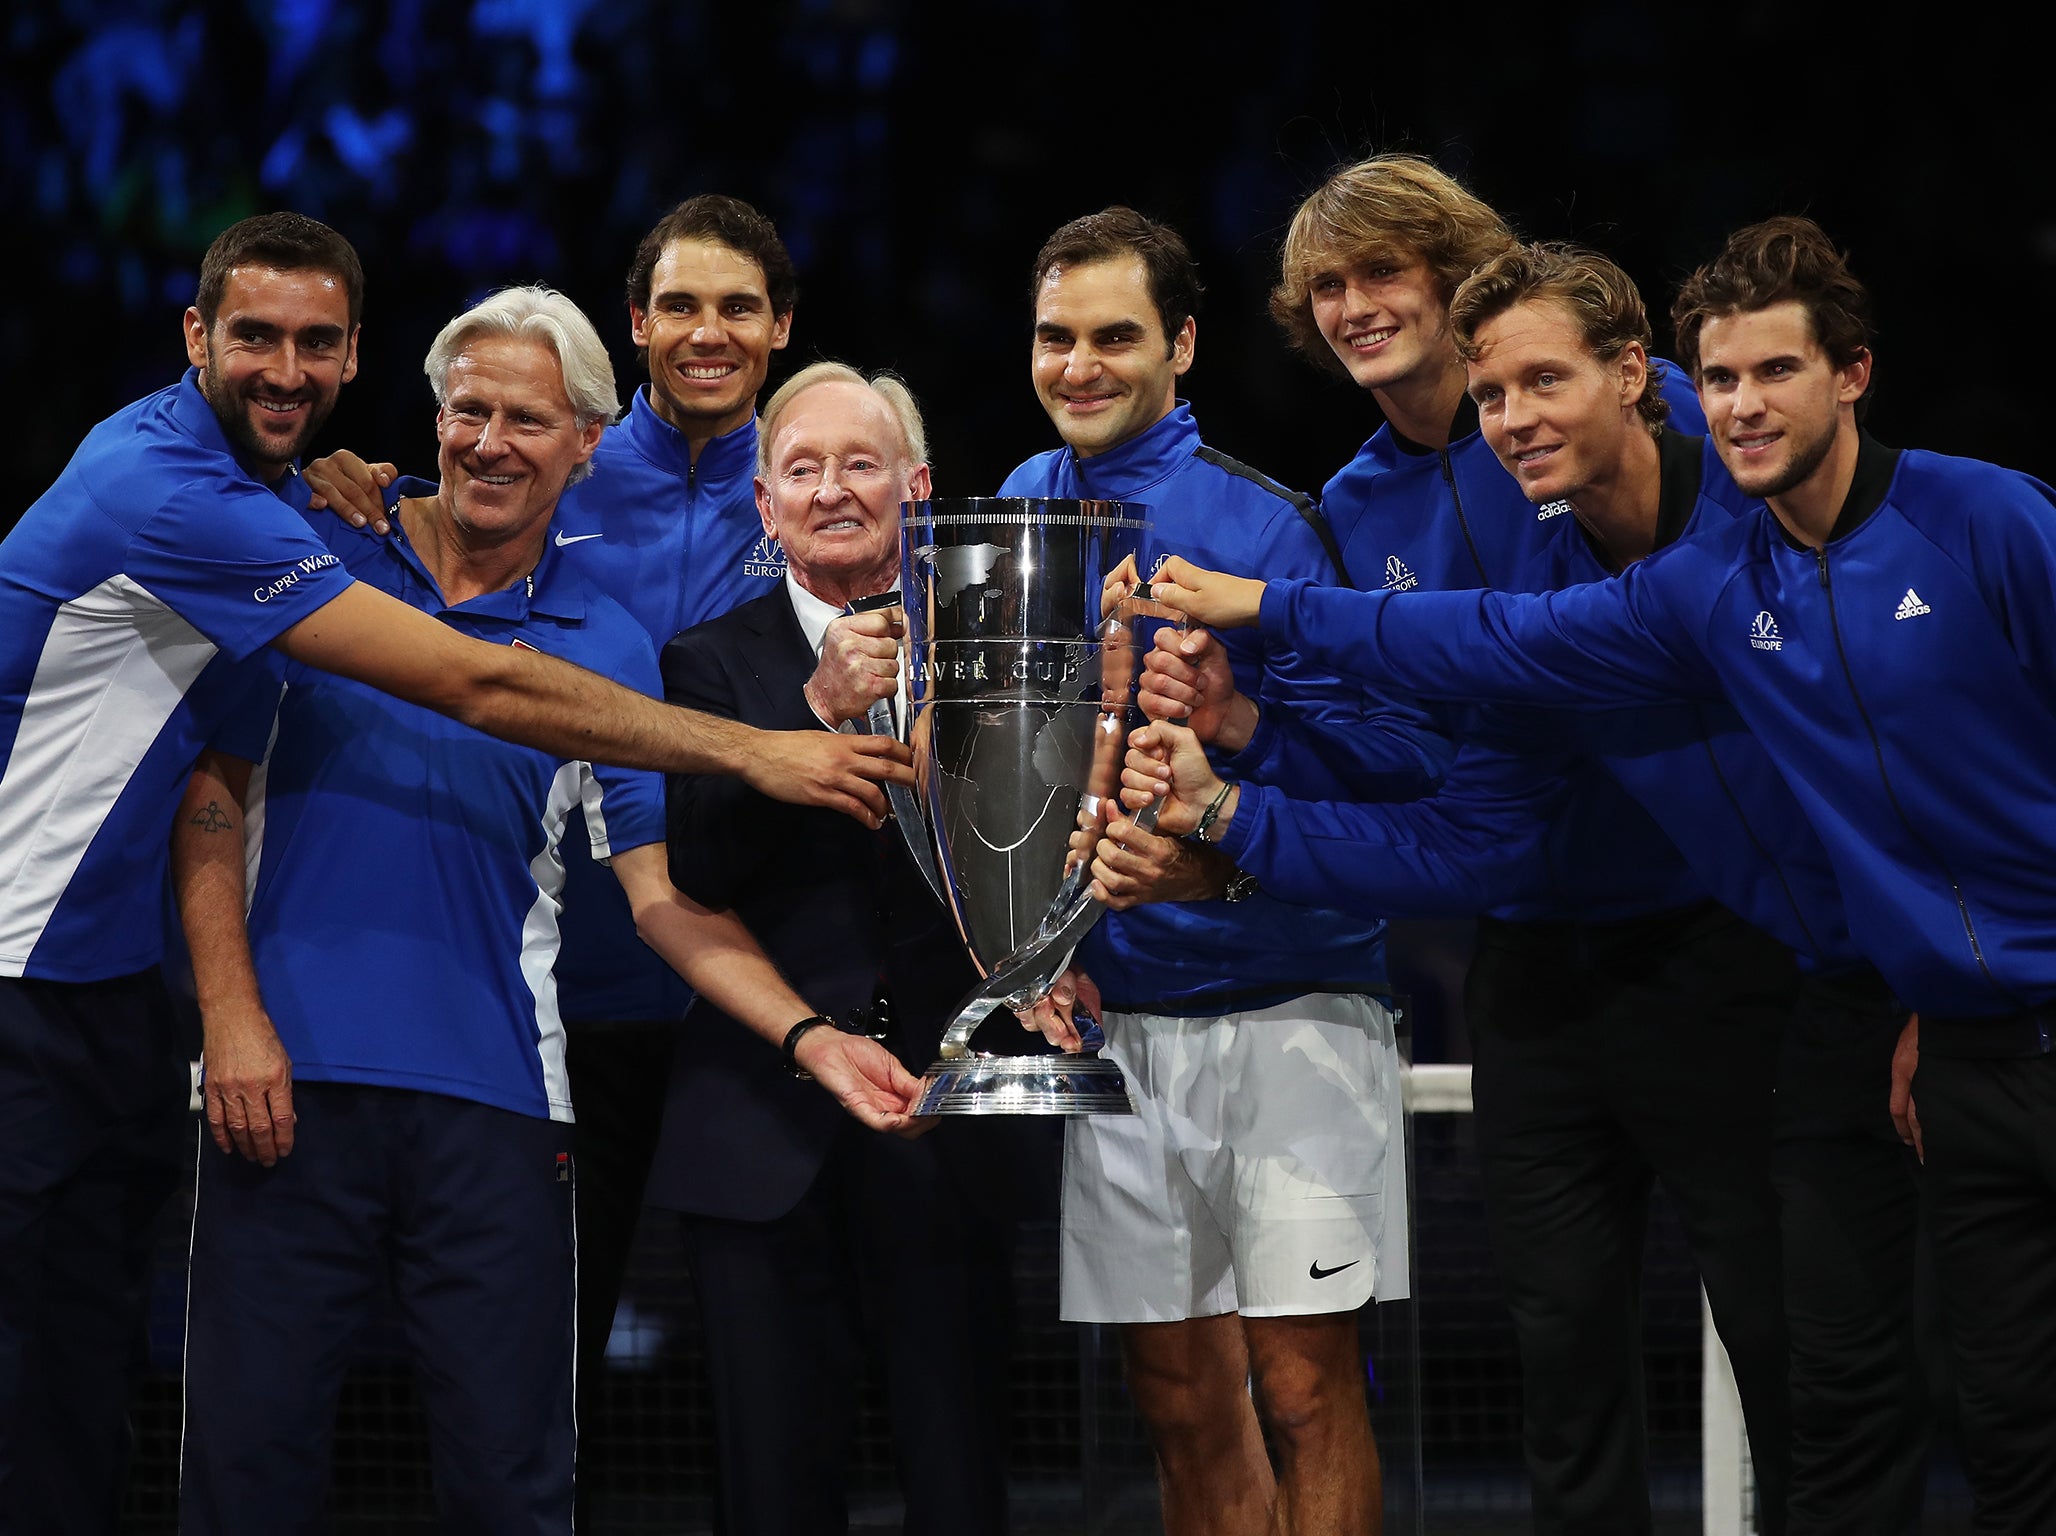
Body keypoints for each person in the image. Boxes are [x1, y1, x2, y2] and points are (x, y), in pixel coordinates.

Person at [1150, 214, 2056, 1534]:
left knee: (1936, 1396)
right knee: (1921, 1396)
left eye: (1541, 381)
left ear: (1640, 377)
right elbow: (1476, 762)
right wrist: (1235, 799)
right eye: (1495, 390)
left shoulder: (1944, 519)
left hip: (1856, 993)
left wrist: (1264, 617)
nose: (1510, 415)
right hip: (1880, 1005)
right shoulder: (1679, 590)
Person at [0, 212, 903, 1533]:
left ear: (588, 444)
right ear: (426, 413)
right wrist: (236, 1018)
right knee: (235, 1478)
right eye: (467, 410)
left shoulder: (602, 636)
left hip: (499, 1106)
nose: (489, 443)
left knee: (511, 1490)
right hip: (276, 1088)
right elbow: (217, 803)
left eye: (529, 421)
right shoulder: (309, 556)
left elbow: (660, 899)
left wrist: (812, 1038)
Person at [1117, 159, 1800, 1536]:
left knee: (1795, 1346)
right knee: (1562, 1368)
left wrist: (1266, 669)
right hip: (1530, 956)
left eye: (1386, 272)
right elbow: (1426, 772)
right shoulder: (1351, 512)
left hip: (1724, 944)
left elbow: (1529, 656)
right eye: (1329, 285)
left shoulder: (1657, 445)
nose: (1357, 306)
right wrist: (1245, 728)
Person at [304, 194, 808, 1492]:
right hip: (547, 1015)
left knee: (774, 1386)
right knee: (527, 1380)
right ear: (634, 327)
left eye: (738, 306)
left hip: (737, 998)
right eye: (681, 305)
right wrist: (346, 479)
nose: (708, 331)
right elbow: (435, 524)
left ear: (782, 327)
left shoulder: (812, 485)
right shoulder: (534, 459)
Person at [1004, 206, 1448, 1536]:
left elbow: (1390, 762)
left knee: (1307, 1391)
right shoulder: (1019, 509)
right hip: (1121, 1022)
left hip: (1289, 1009)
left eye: (1115, 338)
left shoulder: (1265, 524)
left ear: (1181, 345)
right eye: (1055, 337)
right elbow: (1005, 778)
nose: (1079, 365)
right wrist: (1033, 949)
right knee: (1180, 1400)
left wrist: (1238, 719)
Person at [648, 361, 1015, 1535]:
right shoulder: (707, 664)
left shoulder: (993, 648)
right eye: (801, 470)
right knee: (771, 1492)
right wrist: (804, 715)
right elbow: (698, 871)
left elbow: (1027, 859)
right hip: (760, 1137)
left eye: (859, 465)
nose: (831, 490)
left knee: (960, 1488)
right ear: (764, 505)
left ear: (915, 486)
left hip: (944, 1127)